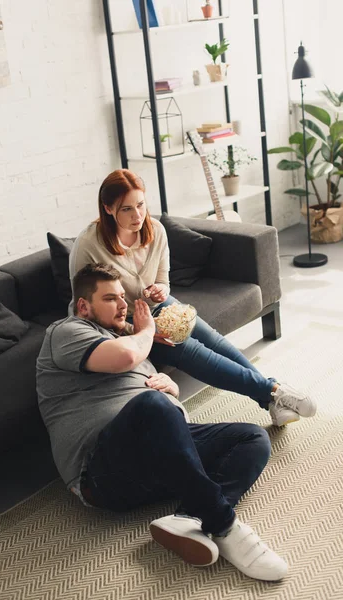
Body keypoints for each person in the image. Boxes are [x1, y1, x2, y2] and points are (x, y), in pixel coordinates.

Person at [37, 263, 288, 581]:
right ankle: (223, 525)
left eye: (122, 297)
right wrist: (147, 332)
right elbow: (127, 360)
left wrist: (173, 392)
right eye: (111, 298)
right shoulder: (65, 332)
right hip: (101, 475)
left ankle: (187, 518)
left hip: (154, 462)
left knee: (252, 438)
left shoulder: (126, 337)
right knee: (152, 404)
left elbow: (153, 399)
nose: (123, 305)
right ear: (84, 305)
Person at [68, 168, 317, 427]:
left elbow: (164, 280)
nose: (138, 215)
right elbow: (85, 308)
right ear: (108, 209)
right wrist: (140, 331)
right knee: (191, 351)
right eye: (126, 209)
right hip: (120, 323)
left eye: (140, 205)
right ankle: (275, 392)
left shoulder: (155, 231)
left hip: (158, 306)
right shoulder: (89, 245)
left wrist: (161, 290)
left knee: (212, 339)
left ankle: (269, 397)